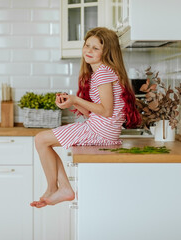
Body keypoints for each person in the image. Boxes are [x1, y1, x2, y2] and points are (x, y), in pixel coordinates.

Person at [30, 27, 141, 208]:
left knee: (41, 139)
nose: (89, 50)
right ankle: (61, 188)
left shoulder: (103, 73)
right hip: (102, 130)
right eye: (87, 45)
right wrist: (72, 103)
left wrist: (76, 98)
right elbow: (94, 113)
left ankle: (56, 188)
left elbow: (105, 111)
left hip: (100, 131)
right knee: (44, 141)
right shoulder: (105, 72)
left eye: (95, 48)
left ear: (107, 51)